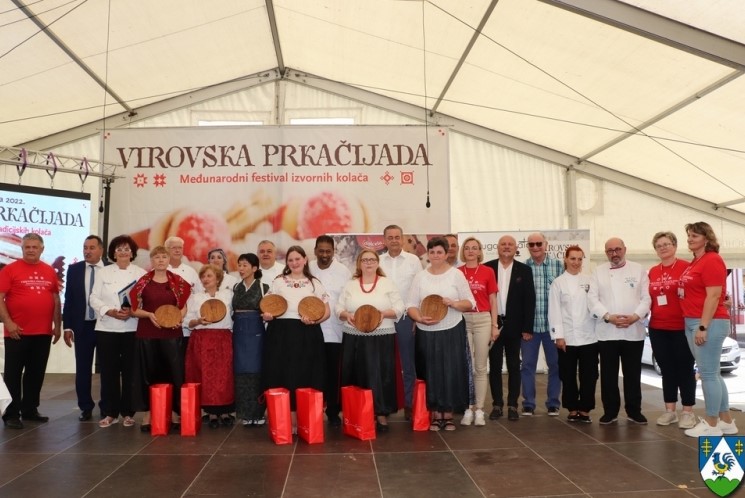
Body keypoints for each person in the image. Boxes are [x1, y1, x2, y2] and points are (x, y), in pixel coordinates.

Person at [407, 237, 475, 432]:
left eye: (439, 252)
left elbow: (470, 302)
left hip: (452, 329)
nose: (435, 255)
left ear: (446, 254)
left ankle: (448, 415)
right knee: (431, 372)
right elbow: (410, 304)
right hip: (426, 331)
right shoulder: (420, 277)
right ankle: (436, 415)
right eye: (432, 252)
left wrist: (453, 303)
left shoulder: (456, 275)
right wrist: (419, 318)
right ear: (428, 254)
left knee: (451, 371)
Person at [261, 245, 329, 433]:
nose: (294, 263)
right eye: (290, 260)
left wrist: (314, 321)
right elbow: (267, 306)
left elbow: (327, 312)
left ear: (305, 260)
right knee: (282, 375)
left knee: (305, 375)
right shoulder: (278, 282)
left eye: (297, 259)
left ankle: (304, 422)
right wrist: (267, 315)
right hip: (280, 334)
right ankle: (285, 422)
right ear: (287, 263)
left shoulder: (314, 283)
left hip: (307, 334)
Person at [679, 222, 737, 437]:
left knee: (708, 374)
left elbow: (713, 296)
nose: (690, 239)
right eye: (689, 235)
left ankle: (711, 424)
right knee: (713, 373)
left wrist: (703, 326)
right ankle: (726, 421)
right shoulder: (696, 261)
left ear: (707, 238)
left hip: (707, 322)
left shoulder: (712, 259)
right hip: (693, 321)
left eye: (695, 235)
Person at [0, 233, 62, 429]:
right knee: (13, 374)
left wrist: (57, 325)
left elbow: (55, 299)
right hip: (16, 331)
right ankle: (11, 414)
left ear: (42, 249)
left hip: (43, 332)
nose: (31, 250)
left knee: (36, 373)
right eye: (27, 247)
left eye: (35, 247)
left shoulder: (49, 270)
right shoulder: (10, 270)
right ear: (22, 248)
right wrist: (8, 322)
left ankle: (29, 409)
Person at [337, 250, 404, 431]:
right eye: (365, 260)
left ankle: (381, 414)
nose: (368, 263)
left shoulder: (387, 283)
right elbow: (338, 308)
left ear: (377, 263)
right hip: (354, 336)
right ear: (359, 263)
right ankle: (359, 415)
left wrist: (383, 313)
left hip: (382, 336)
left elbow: (399, 307)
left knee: (381, 376)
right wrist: (346, 315)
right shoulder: (350, 285)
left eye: (372, 260)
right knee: (357, 375)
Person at [588, 237, 651, 425]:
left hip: (633, 330)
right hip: (607, 331)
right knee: (608, 375)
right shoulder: (598, 272)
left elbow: (646, 298)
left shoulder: (638, 269)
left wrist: (635, 317)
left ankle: (634, 411)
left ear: (625, 249)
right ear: (606, 253)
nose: (614, 253)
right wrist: (608, 317)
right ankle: (610, 411)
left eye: (617, 249)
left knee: (633, 374)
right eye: (610, 250)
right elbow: (592, 299)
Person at [129, 246, 191, 432]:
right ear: (152, 261)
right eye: (157, 257)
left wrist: (177, 318)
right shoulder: (142, 283)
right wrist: (149, 315)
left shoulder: (178, 283)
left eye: (164, 257)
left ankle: (173, 413)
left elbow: (183, 307)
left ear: (169, 259)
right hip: (147, 333)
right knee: (148, 375)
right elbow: (134, 310)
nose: (161, 260)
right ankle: (148, 414)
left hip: (172, 334)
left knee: (173, 374)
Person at [89, 235, 146, 428]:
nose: (123, 252)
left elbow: (144, 299)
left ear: (132, 253)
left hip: (132, 328)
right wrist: (110, 311)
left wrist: (132, 311)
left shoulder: (140, 273)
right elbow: (94, 298)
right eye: (119, 249)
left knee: (130, 372)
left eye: (127, 249)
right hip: (107, 328)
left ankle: (128, 413)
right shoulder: (103, 272)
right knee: (108, 372)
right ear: (113, 253)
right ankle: (110, 412)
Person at [647, 231, 696, 429]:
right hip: (657, 328)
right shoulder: (652, 271)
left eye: (666, 244)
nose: (663, 248)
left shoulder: (687, 267)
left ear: (675, 246)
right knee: (666, 370)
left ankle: (688, 412)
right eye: (659, 246)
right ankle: (670, 411)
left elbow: (699, 291)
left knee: (685, 369)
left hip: (682, 327)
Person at [484, 235, 535, 422]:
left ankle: (513, 405)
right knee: (495, 366)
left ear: (516, 248)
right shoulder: (487, 268)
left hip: (515, 325)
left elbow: (529, 300)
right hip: (493, 324)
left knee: (514, 366)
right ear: (497, 248)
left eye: (510, 244)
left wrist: (527, 327)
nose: (506, 247)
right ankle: (497, 404)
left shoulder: (525, 270)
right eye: (503, 244)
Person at [548, 246, 598, 423]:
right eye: (573, 259)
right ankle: (572, 408)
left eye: (579, 259)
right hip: (567, 337)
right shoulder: (558, 283)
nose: (576, 262)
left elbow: (595, 306)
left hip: (589, 336)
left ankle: (585, 409)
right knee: (567, 375)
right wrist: (558, 336)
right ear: (566, 259)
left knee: (589, 375)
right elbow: (554, 310)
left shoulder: (590, 281)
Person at [379, 224, 422, 420]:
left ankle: (409, 403)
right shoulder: (378, 261)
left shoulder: (413, 261)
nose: (394, 240)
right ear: (384, 240)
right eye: (390, 237)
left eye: (397, 237)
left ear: (403, 239)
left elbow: (419, 289)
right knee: (385, 363)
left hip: (406, 318)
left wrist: (416, 317)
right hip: (384, 319)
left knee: (407, 363)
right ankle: (386, 405)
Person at [62, 235, 108, 422]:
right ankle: (85, 407)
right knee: (83, 368)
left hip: (107, 326)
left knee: (108, 368)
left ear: (101, 250)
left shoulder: (111, 269)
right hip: (83, 327)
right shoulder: (74, 269)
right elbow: (69, 300)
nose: (87, 251)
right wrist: (67, 327)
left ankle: (107, 407)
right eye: (85, 247)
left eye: (91, 247)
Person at [309, 235, 352, 427]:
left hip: (335, 331)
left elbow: (347, 299)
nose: (325, 255)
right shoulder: (307, 268)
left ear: (334, 251)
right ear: (315, 251)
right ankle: (313, 411)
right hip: (310, 330)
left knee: (334, 373)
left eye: (328, 251)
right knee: (313, 373)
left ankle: (333, 411)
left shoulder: (343, 271)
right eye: (321, 251)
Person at [185, 264, 235, 428]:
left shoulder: (228, 295)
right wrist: (198, 321)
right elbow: (187, 322)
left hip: (223, 338)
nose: (205, 279)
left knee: (224, 375)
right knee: (206, 375)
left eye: (209, 276)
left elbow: (234, 316)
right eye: (203, 276)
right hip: (203, 338)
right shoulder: (195, 298)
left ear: (218, 278)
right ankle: (211, 412)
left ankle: (226, 411)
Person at [457, 237, 498, 427]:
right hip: (463, 320)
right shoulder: (457, 272)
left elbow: (493, 300)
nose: (471, 251)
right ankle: (468, 408)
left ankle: (479, 409)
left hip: (483, 320)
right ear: (463, 251)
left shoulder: (488, 271)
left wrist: (494, 325)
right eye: (467, 248)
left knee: (480, 367)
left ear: (480, 251)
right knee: (466, 366)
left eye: (474, 248)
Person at [522, 232, 563, 417]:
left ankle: (553, 403)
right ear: (528, 247)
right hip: (529, 328)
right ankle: (528, 404)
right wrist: (523, 327)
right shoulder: (522, 268)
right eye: (531, 244)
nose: (535, 247)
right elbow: (518, 300)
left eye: (539, 243)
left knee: (555, 366)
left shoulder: (558, 266)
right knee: (527, 366)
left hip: (552, 328)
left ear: (546, 245)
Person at [231, 253, 269, 427]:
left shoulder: (264, 287)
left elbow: (270, 309)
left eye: (245, 265)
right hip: (239, 332)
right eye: (239, 265)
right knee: (240, 370)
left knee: (256, 369)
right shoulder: (236, 287)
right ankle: (245, 414)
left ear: (254, 268)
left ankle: (258, 412)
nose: (241, 268)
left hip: (256, 333)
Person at [165, 236, 202, 351]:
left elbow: (199, 296)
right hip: (164, 322)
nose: (177, 250)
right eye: (174, 248)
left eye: (180, 248)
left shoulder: (191, 272)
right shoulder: (158, 271)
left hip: (186, 325)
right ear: (166, 250)